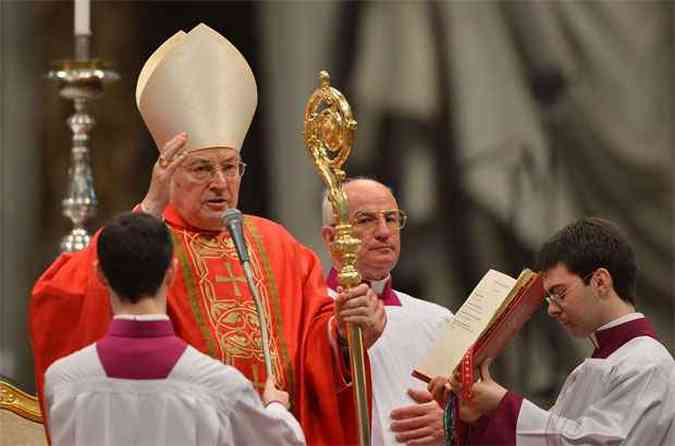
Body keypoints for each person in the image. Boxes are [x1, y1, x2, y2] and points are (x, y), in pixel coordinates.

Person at [31, 23, 385, 445]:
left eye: (230, 166)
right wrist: (151, 207)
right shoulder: (148, 244)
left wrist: (343, 335)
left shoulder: (278, 247)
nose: (220, 182)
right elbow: (61, 299)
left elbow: (315, 337)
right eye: (202, 168)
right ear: (167, 173)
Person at [44, 212, 305, 445]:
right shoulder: (222, 386)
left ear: (100, 274)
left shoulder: (63, 380)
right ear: (172, 272)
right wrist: (276, 408)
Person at [429, 217, 675, 445]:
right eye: (549, 298)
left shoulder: (647, 365)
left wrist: (504, 405)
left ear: (601, 281)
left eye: (560, 293)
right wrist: (479, 417)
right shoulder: (591, 368)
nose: (552, 310)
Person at [321, 178, 453, 445]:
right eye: (365, 219)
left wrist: (452, 420)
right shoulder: (312, 313)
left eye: (391, 218)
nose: (384, 231)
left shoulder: (438, 319)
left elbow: (472, 405)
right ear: (332, 237)